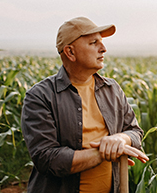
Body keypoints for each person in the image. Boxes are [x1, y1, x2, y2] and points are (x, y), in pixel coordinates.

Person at [21, 16, 148, 193]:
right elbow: (47, 159)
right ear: (70, 52)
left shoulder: (112, 89)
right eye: (94, 42)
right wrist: (106, 152)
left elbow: (135, 132)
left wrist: (119, 140)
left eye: (101, 42)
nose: (103, 49)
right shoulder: (40, 96)